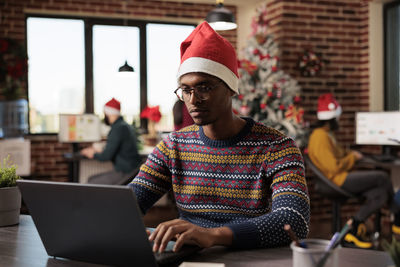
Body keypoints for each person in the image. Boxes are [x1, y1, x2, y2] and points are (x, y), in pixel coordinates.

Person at [128, 22, 310, 253]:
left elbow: (293, 221)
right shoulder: (173, 146)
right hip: (188, 256)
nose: (193, 100)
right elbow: (131, 202)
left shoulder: (277, 148)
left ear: (231, 88)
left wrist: (214, 235)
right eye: (186, 89)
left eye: (204, 87)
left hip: (250, 256)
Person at [307, 93, 400, 249]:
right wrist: (353, 159)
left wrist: (351, 155)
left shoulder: (326, 135)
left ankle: (353, 228)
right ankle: (397, 217)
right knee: (382, 177)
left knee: (380, 194)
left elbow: (339, 154)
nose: (339, 120)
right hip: (337, 180)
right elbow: (334, 167)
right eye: (338, 118)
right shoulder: (320, 137)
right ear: (332, 118)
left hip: (338, 177)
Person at [80, 98, 142, 185]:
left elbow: (106, 156)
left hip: (125, 172)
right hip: (133, 170)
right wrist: (99, 150)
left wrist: (92, 154)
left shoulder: (117, 128)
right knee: (91, 179)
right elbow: (118, 149)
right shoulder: (125, 125)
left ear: (108, 113)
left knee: (90, 182)